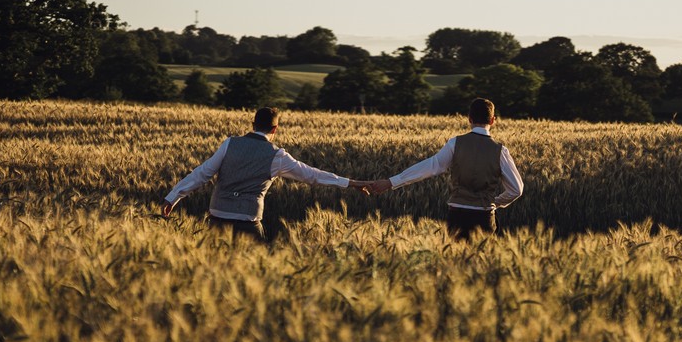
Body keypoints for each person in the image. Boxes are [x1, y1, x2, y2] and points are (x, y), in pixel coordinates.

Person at [161, 107, 363, 241]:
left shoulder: (230, 143)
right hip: (248, 223)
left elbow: (202, 174)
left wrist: (173, 198)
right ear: (275, 129)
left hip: (218, 218)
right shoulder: (277, 156)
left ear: (253, 124)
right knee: (255, 274)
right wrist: (351, 183)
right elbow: (313, 175)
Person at [359, 98, 523, 239]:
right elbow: (516, 189)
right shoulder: (500, 151)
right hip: (484, 216)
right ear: (493, 120)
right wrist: (495, 202)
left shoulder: (455, 143)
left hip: (457, 215)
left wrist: (390, 182)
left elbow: (430, 167)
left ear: (469, 118)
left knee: (454, 265)